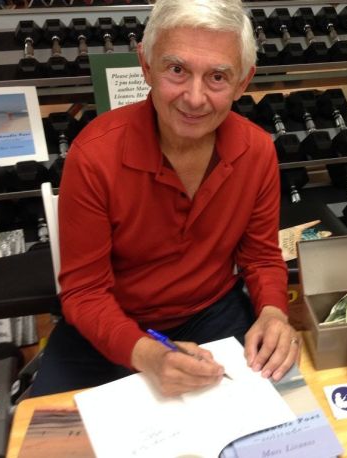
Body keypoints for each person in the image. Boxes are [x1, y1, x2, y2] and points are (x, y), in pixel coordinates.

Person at [31, 0, 299, 397]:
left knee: (283, 418)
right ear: (146, 65)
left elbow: (260, 257)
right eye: (177, 70)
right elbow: (84, 292)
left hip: (212, 312)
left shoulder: (257, 151)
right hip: (109, 322)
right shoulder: (94, 156)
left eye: (217, 77)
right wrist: (147, 354)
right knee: (54, 430)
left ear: (243, 82)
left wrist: (274, 312)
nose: (194, 98)